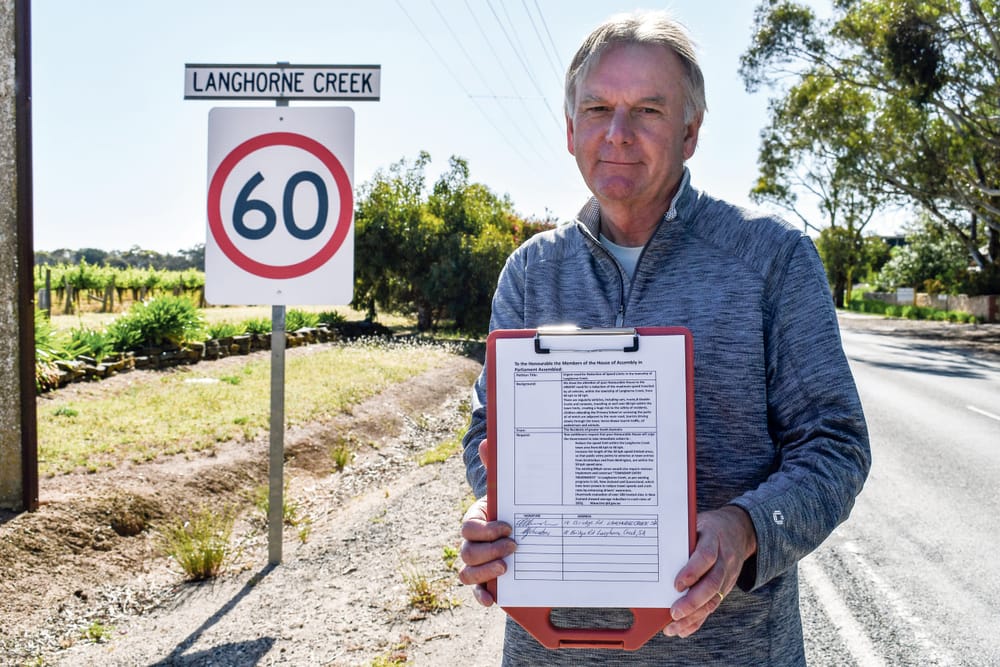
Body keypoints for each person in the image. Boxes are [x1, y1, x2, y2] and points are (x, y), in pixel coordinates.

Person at [457, 9, 871, 666]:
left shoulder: (773, 259)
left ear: (690, 130)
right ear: (570, 130)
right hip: (553, 653)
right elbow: (486, 433)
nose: (618, 133)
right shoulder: (530, 274)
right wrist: (495, 510)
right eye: (598, 108)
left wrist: (746, 529)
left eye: (648, 110)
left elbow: (836, 446)